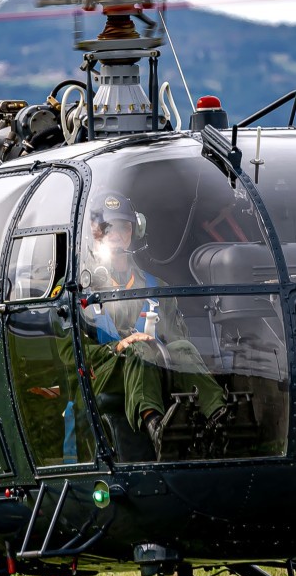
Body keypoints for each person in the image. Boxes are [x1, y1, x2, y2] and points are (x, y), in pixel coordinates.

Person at [81, 190, 229, 455]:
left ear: (134, 231)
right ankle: (156, 428)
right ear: (93, 232)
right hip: (104, 374)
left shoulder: (156, 287)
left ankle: (220, 418)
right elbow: (70, 355)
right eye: (107, 228)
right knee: (140, 350)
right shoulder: (78, 289)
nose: (116, 235)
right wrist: (118, 347)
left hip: (155, 369)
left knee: (182, 347)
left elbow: (177, 339)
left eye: (123, 227)